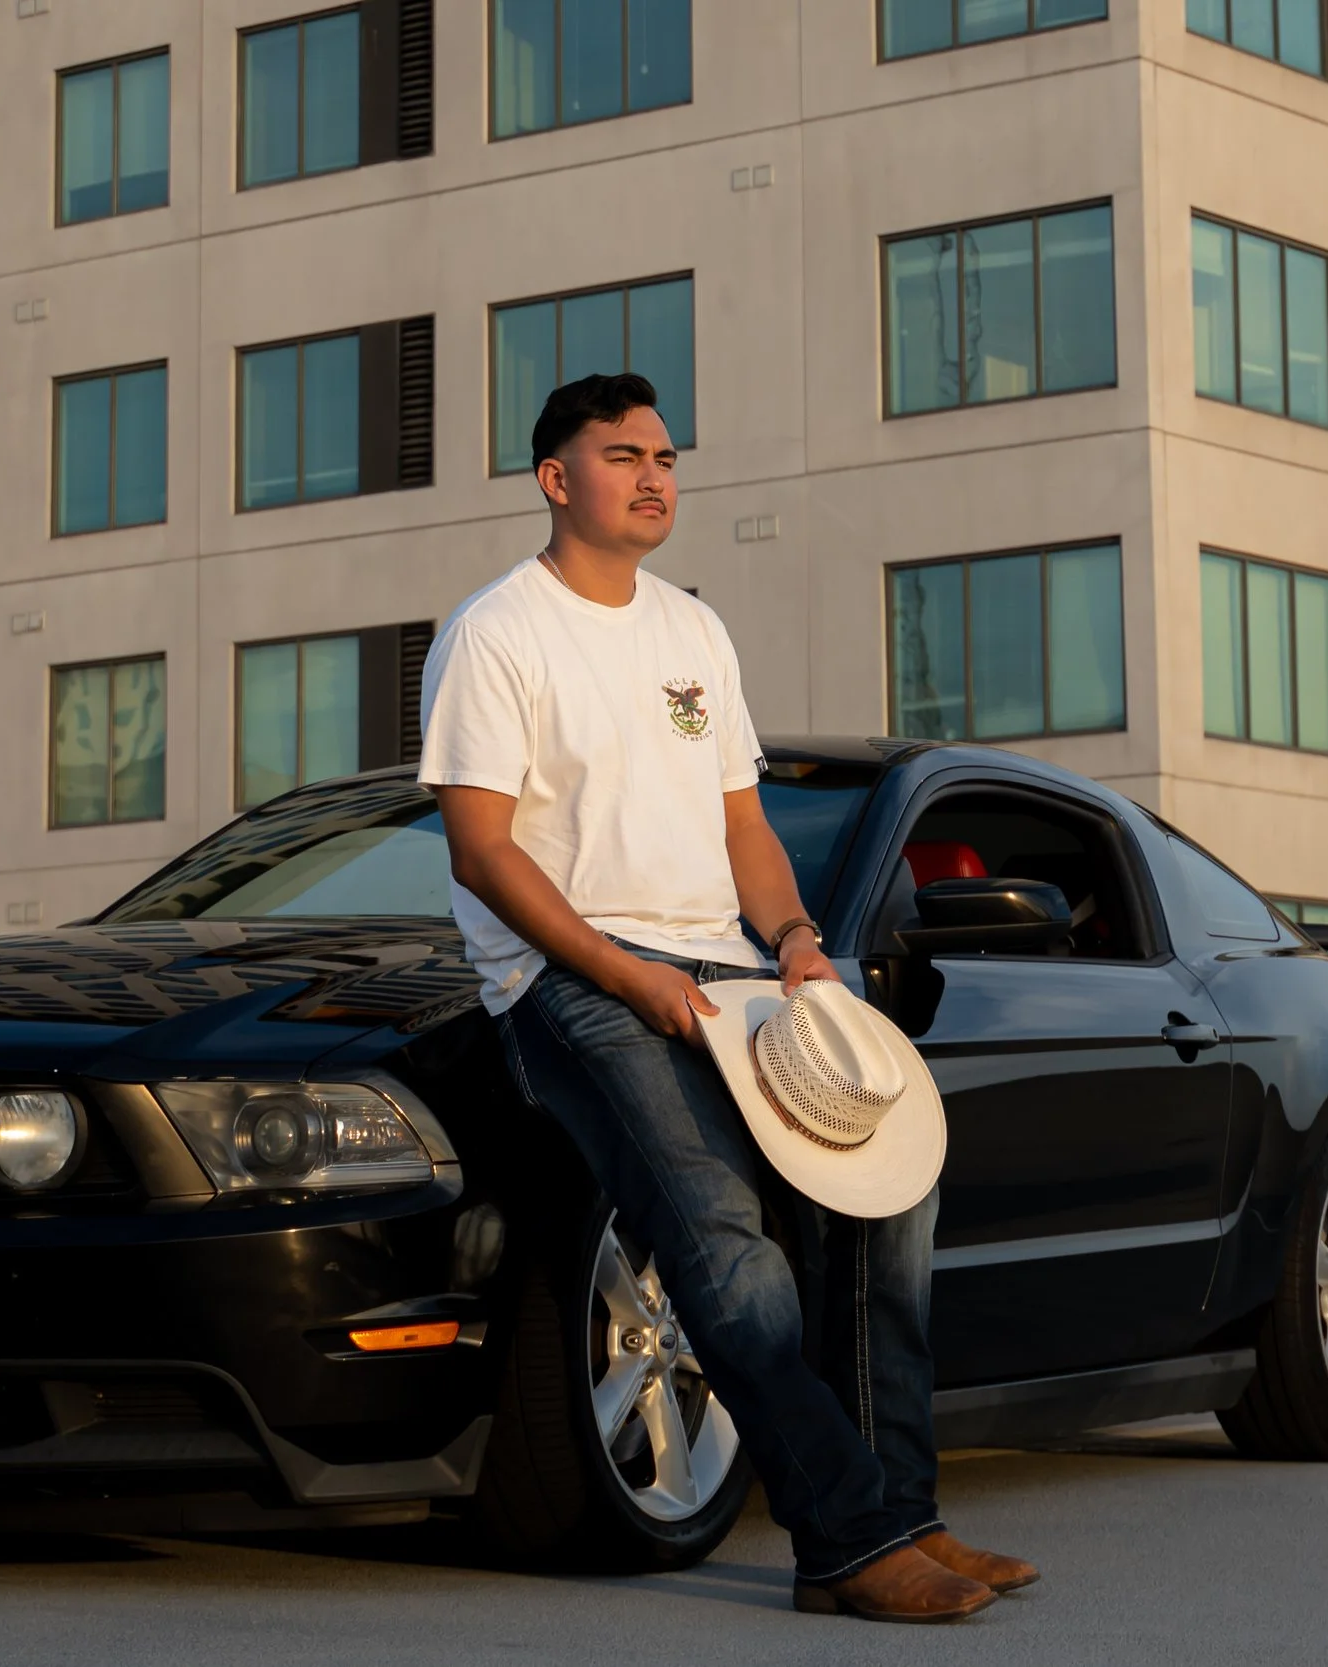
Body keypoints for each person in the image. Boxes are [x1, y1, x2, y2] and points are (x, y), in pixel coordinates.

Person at [418, 373, 1038, 1623]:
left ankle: (906, 1511)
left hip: (734, 976)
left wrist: (800, 941)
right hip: (572, 984)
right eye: (623, 454)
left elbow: (741, 823)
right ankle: (845, 1542)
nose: (655, 475)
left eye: (665, 455)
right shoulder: (496, 632)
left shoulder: (691, 631)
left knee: (884, 1201)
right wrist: (621, 971)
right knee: (722, 1242)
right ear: (557, 479)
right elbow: (481, 849)